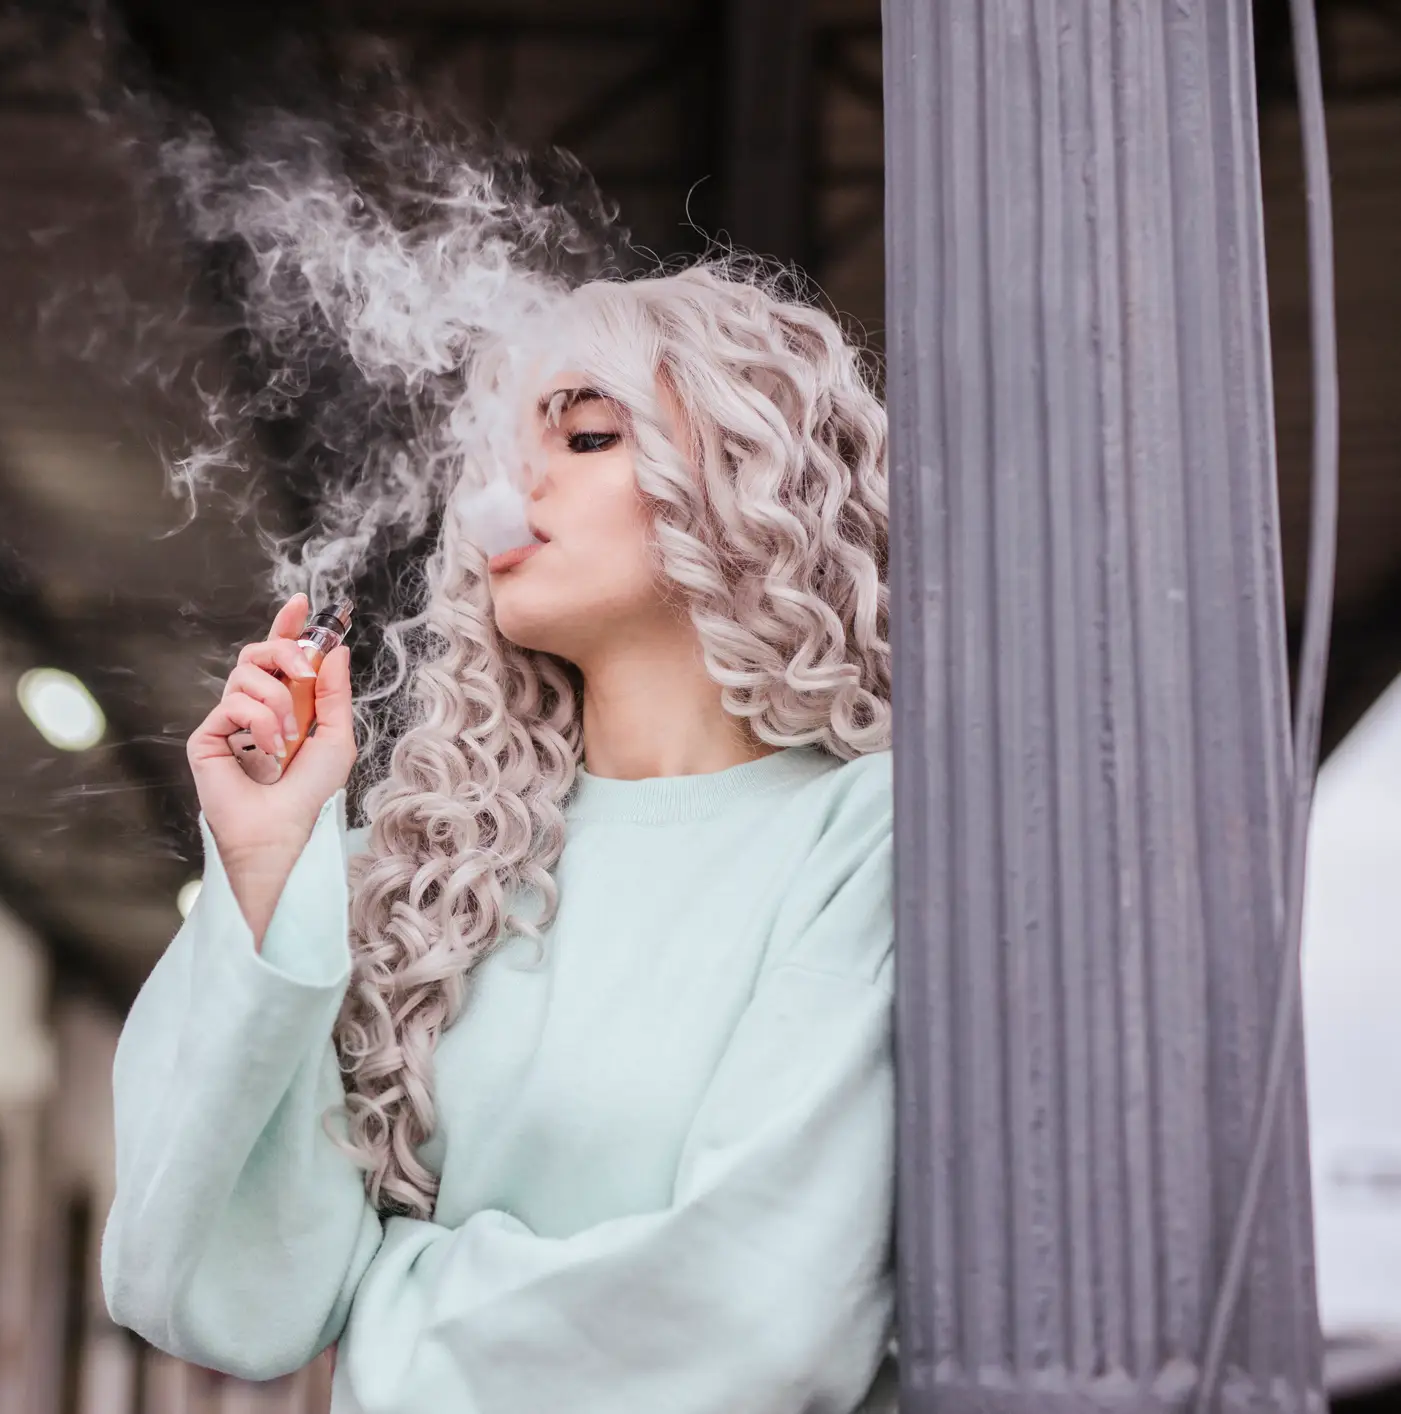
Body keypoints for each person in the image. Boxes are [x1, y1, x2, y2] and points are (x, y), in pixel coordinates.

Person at [101, 263, 896, 1414]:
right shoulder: (433, 875)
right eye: (497, 445)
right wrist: (271, 866)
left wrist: (386, 1310)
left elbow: (759, 1314)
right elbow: (217, 1285)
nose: (507, 490)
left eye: (582, 436)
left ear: (744, 471)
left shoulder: (862, 837)